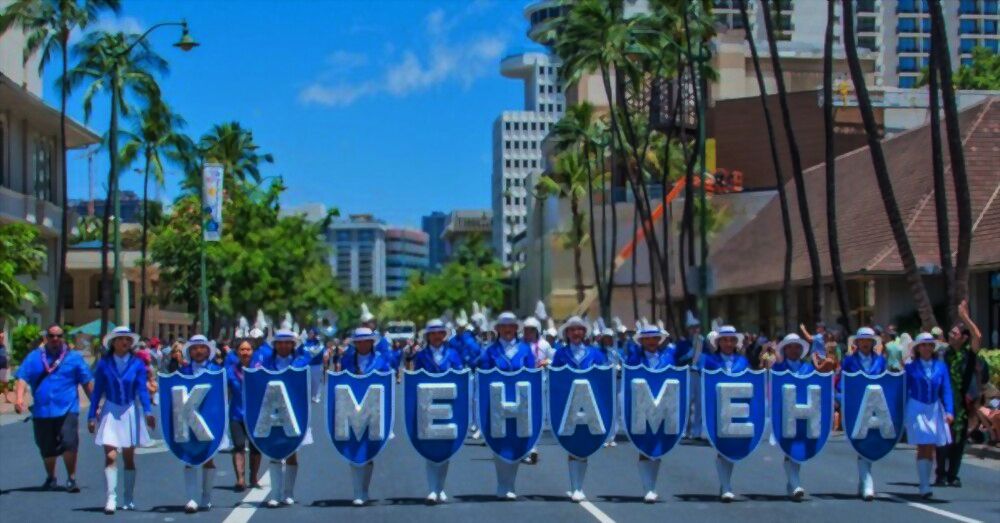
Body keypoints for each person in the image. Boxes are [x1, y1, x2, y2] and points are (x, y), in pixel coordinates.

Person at [14, 324, 94, 493]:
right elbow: (22, 378)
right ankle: (51, 478)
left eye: (59, 336)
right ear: (46, 337)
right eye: (51, 335)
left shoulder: (73, 358)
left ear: (63, 337)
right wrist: (19, 398)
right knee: (46, 446)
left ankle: (71, 478)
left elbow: (86, 382)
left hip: (67, 408)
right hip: (42, 411)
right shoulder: (34, 357)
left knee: (69, 442)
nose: (55, 339)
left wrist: (95, 406)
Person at [87, 327, 155, 514]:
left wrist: (148, 411)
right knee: (109, 455)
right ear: (113, 343)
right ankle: (111, 498)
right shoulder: (104, 364)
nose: (124, 342)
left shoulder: (137, 364)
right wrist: (92, 415)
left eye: (127, 339)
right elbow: (97, 391)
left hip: (130, 411)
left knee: (128, 458)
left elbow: (142, 389)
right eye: (120, 339)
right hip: (111, 409)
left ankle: (128, 498)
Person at [550, 316, 608, 503]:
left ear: (584, 333)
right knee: (572, 442)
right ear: (567, 333)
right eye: (572, 330)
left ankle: (578, 486)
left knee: (584, 441)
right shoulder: (560, 354)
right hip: (569, 404)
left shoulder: (595, 354)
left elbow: (602, 377)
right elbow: (556, 378)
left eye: (579, 329)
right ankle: (575, 486)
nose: (576, 333)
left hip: (589, 404)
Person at [478, 312, 536, 500]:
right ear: (498, 329)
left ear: (516, 329)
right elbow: (484, 375)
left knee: (516, 441)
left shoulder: (525, 350)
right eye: (504, 326)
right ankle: (502, 483)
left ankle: (511, 483)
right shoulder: (490, 351)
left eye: (511, 326)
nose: (508, 329)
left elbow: (531, 374)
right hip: (497, 403)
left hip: (520, 402)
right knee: (499, 441)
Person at [253, 329, 311, 508]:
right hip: (271, 412)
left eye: (288, 342)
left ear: (293, 345)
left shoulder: (300, 360)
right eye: (280, 342)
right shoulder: (266, 362)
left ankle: (288, 492)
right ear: (275, 345)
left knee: (293, 451)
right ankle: (276, 494)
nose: (284, 345)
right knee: (274, 450)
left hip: (293, 412)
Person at [411, 319, 464, 504]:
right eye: (432, 333)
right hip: (428, 405)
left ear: (444, 335)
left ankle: (441, 487)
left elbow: (459, 376)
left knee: (445, 447)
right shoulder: (422, 355)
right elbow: (416, 379)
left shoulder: (453, 354)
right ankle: (432, 488)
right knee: (430, 447)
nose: (436, 336)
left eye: (439, 333)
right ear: (428, 336)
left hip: (449, 404)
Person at [340, 327, 394, 506]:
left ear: (372, 342)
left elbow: (387, 383)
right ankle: (357, 490)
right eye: (359, 341)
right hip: (351, 407)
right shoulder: (347, 359)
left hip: (373, 408)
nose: (363, 344)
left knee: (369, 451)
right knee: (353, 448)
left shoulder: (381, 360)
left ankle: (364, 490)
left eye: (366, 340)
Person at [625, 325, 676, 503]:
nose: (652, 342)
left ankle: (653, 485)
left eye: (655, 338)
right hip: (642, 406)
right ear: (641, 341)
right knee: (643, 444)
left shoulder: (668, 357)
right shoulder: (634, 359)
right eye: (647, 339)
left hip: (663, 407)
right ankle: (648, 487)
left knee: (658, 445)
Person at [699, 325, 748, 502]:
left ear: (736, 342)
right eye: (724, 340)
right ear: (718, 342)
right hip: (718, 407)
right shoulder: (710, 360)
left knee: (732, 446)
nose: (728, 343)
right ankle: (725, 485)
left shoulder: (742, 361)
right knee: (721, 446)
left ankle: (726, 482)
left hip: (737, 407)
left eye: (731, 340)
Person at [935, 300, 982, 488]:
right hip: (944, 402)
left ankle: (953, 474)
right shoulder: (944, 354)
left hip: (962, 403)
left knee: (958, 441)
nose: (950, 335)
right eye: (950, 332)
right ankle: (941, 474)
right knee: (943, 440)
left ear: (963, 338)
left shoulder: (968, 355)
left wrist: (965, 318)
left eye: (954, 333)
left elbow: (978, 336)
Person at [177, 335, 224, 513]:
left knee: (208, 457)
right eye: (194, 348)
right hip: (189, 419)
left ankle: (206, 496)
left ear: (207, 350)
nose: (198, 351)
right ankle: (191, 497)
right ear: (190, 351)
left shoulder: (216, 370)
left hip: (210, 419)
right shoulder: (183, 371)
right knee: (189, 457)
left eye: (202, 347)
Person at [905, 332, 954, 499]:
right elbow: (904, 390)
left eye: (929, 345)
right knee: (923, 442)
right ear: (918, 348)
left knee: (931, 445)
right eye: (923, 345)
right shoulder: (910, 367)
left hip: (934, 407)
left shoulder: (941, 367)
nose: (926, 348)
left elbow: (946, 389)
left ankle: (925, 482)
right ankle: (924, 484)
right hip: (916, 406)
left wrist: (949, 411)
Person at [838, 327, 886, 500]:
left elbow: (885, 381)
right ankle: (866, 480)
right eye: (862, 340)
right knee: (860, 441)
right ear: (857, 343)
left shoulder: (880, 361)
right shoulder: (849, 361)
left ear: (873, 343)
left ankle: (865, 479)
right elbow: (840, 383)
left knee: (871, 441)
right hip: (857, 406)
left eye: (868, 340)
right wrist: (843, 399)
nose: (865, 343)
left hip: (875, 407)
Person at [771, 334, 815, 500]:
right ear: (784, 349)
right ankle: (795, 482)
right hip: (785, 413)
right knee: (787, 446)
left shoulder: (808, 369)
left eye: (797, 346)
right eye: (790, 346)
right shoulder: (778, 369)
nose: (794, 350)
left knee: (798, 446)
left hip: (804, 412)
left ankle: (793, 482)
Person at [227, 339, 261, 492]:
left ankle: (253, 477)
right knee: (239, 445)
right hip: (236, 414)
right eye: (242, 349)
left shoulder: (260, 370)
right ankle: (240, 479)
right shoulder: (230, 370)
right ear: (237, 352)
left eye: (248, 349)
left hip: (256, 414)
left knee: (256, 448)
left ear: (253, 352)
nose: (245, 352)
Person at [674, 313, 706, 439]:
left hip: (699, 375)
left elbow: (708, 358)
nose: (695, 330)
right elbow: (677, 359)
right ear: (688, 329)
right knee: (686, 402)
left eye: (697, 327)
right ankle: (684, 430)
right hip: (686, 374)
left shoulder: (703, 342)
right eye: (692, 327)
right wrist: (688, 355)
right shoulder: (682, 344)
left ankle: (697, 431)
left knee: (699, 404)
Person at [297, 328, 325, 404]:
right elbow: (298, 352)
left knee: (316, 382)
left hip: (316, 365)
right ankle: (306, 396)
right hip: (305, 366)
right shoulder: (305, 343)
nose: (309, 334)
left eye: (311, 333)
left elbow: (321, 353)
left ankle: (316, 396)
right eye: (309, 333)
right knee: (306, 381)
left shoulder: (319, 343)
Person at [0, 331, 10, 402]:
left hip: (3, 367)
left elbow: (5, 356)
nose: (2, 338)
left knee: (5, 383)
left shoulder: (3, 346)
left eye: (3, 337)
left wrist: (7, 365)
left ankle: (6, 398)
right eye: (1, 337)